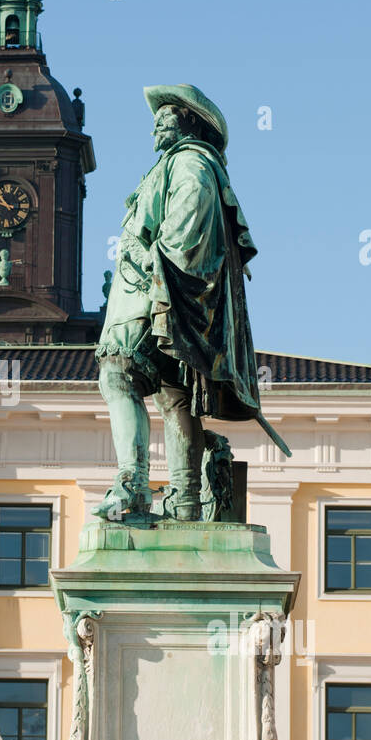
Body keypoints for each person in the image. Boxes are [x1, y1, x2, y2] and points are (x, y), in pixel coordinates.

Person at [96, 83, 263, 521]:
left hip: (155, 294)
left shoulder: (189, 164)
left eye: (166, 116)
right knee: (174, 397)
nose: (157, 125)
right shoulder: (172, 166)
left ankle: (133, 484)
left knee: (119, 375)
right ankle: (186, 499)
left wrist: (148, 262)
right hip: (154, 297)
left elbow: (188, 229)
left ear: (190, 123)